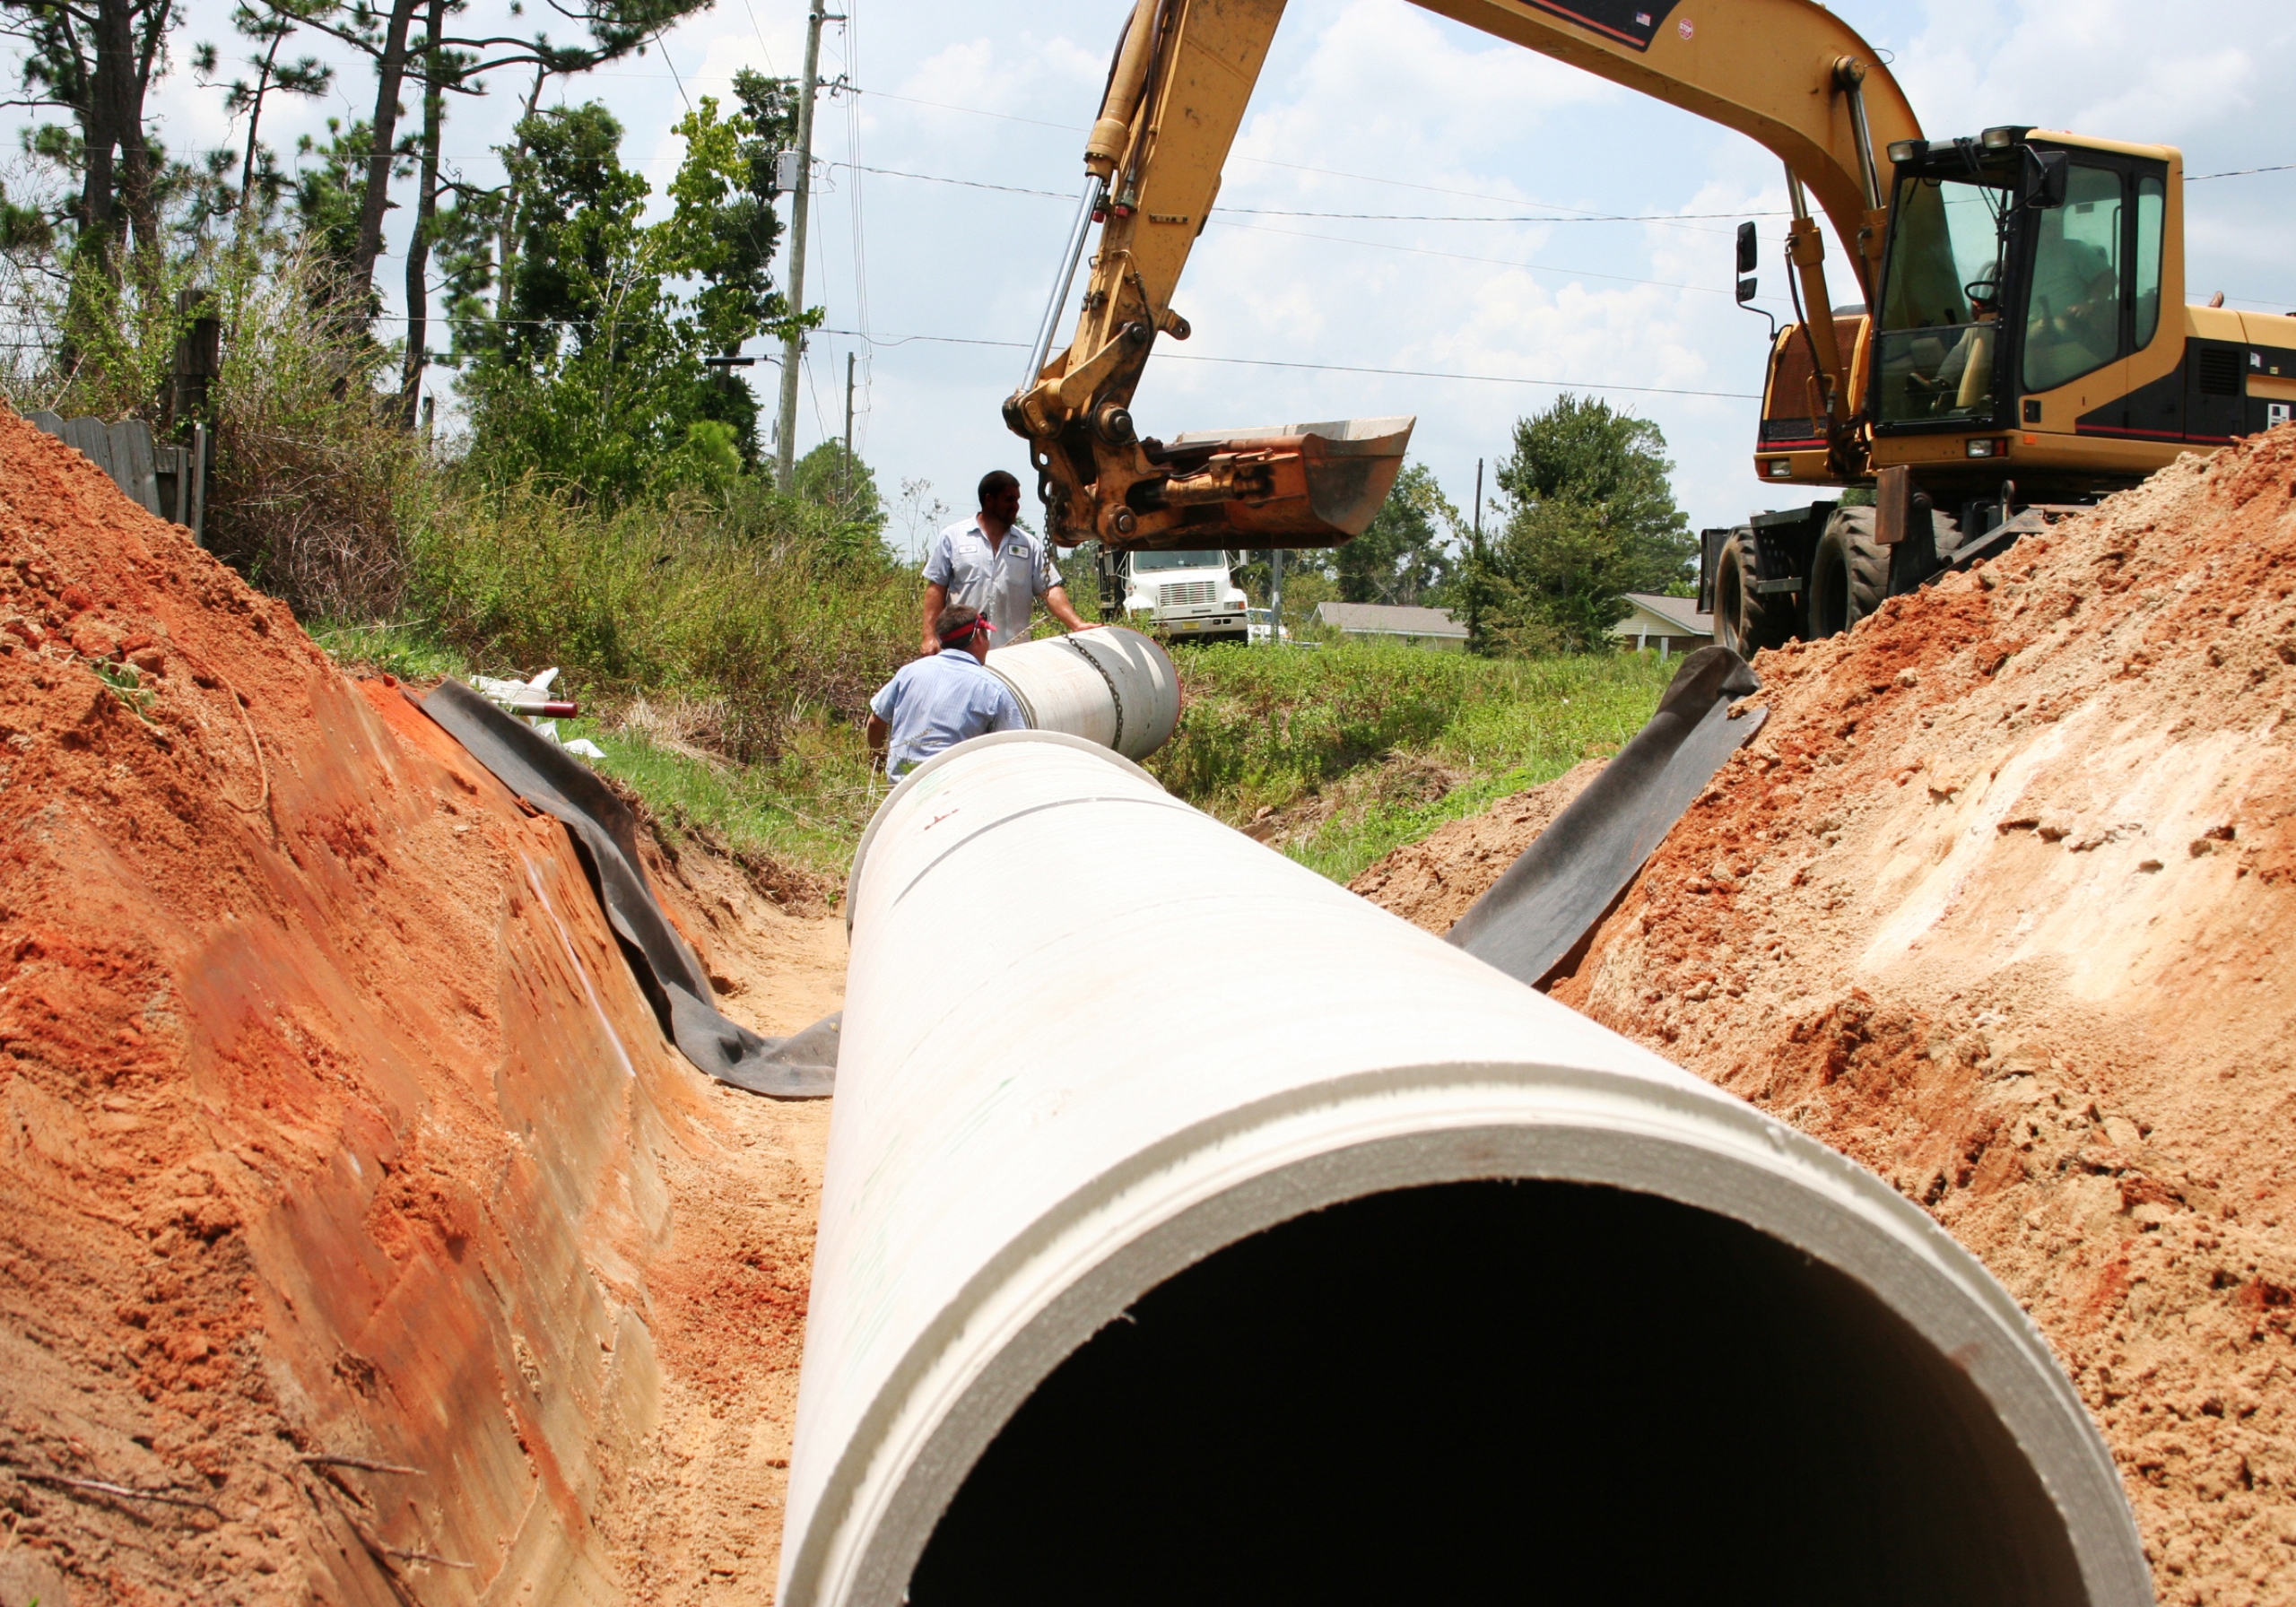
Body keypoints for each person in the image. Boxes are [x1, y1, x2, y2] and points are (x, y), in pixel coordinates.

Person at [919, 470, 1098, 656]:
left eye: (1017, 500)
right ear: (989, 500)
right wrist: (929, 636)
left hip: (1013, 654)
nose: (1016, 506)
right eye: (1009, 500)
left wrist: (1077, 624)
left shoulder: (1028, 545)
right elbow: (936, 588)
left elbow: (1050, 589)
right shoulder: (953, 537)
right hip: (961, 651)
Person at [867, 604, 1028, 777]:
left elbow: (876, 722)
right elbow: (1017, 746)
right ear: (979, 637)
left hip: (902, 784)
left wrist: (878, 757)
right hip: (952, 789)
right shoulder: (992, 689)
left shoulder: (909, 672)